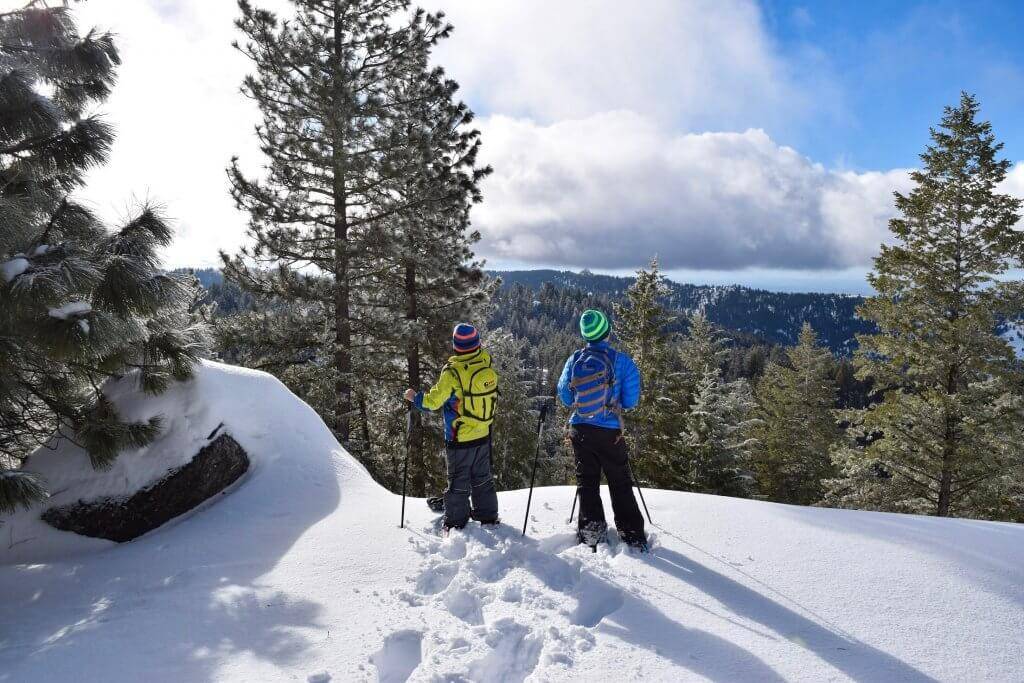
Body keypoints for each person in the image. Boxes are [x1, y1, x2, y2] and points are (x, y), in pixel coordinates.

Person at [557, 309, 647, 550]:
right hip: (610, 433)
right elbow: (630, 402)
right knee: (619, 481)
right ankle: (632, 533)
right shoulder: (623, 362)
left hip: (580, 429)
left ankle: (591, 532)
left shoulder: (575, 359)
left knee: (587, 482)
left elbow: (565, 396)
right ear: (607, 331)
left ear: (586, 335)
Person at [404, 323, 499, 531]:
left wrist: (415, 398)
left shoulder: (452, 372)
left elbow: (433, 402)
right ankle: (488, 516)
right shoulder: (485, 361)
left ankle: (456, 522)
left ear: (456, 346)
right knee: (482, 478)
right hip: (483, 433)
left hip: (459, 438)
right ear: (477, 343)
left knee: (458, 481)